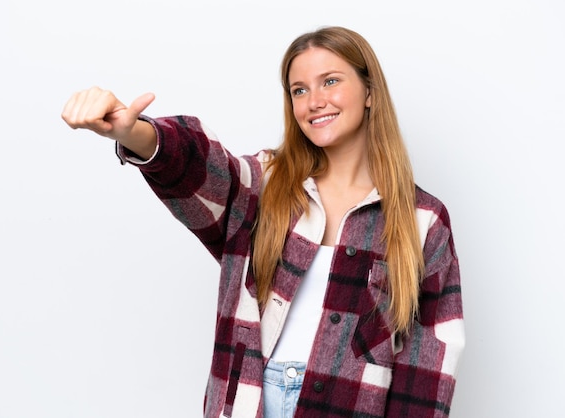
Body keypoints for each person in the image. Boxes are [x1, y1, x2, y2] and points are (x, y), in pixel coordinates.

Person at [62, 26, 464, 418]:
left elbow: (430, 360)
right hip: (251, 398)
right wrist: (137, 135)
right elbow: (201, 168)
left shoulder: (422, 220)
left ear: (370, 92)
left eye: (330, 81)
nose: (314, 101)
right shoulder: (265, 186)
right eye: (299, 90)